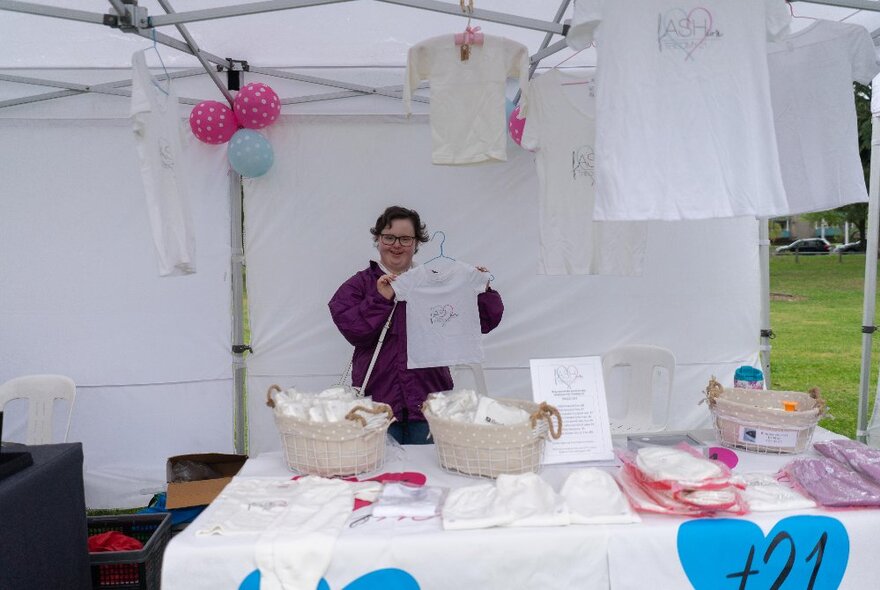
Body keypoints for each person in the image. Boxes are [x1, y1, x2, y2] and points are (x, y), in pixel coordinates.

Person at [329, 205, 504, 445]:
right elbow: (356, 331)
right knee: (377, 475)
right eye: (389, 237)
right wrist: (381, 298)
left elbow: (483, 323)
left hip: (429, 403)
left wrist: (481, 291)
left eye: (405, 238)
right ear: (378, 240)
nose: (396, 245)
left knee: (428, 476)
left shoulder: (439, 283)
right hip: (377, 406)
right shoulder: (358, 285)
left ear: (416, 243)